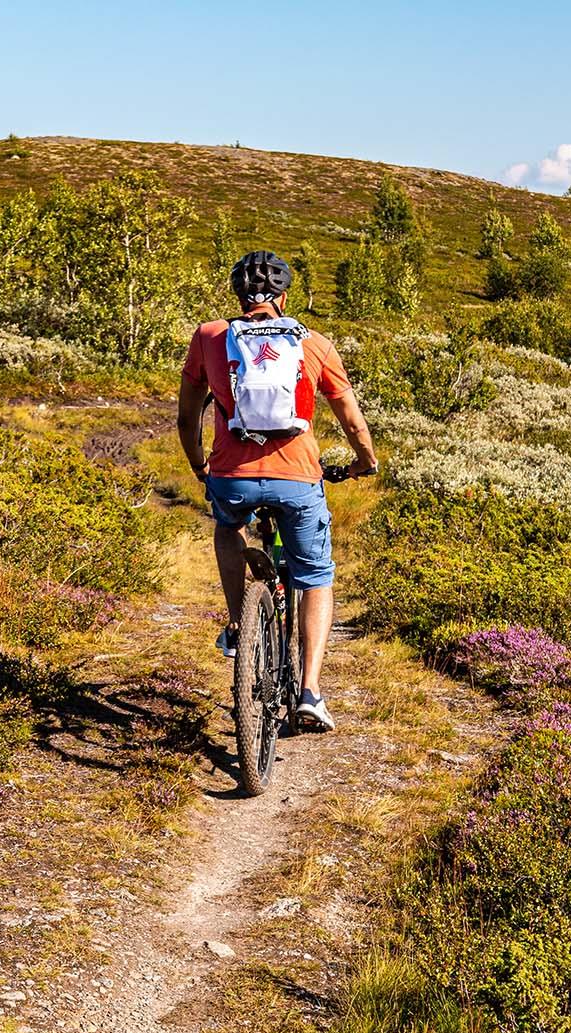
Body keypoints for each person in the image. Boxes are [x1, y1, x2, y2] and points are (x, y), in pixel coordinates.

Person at [177, 250, 378, 732]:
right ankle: (310, 691)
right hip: (299, 479)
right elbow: (351, 420)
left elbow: (187, 418)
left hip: (232, 477)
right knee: (315, 575)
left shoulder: (209, 337)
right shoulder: (315, 344)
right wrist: (365, 462)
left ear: (238, 297)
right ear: (284, 297)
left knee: (228, 527)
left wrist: (201, 465)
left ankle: (236, 624)